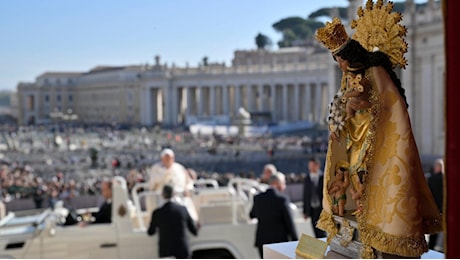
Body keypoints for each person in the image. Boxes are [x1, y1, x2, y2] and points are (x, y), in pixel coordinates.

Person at [315, 6, 442, 257]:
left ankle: (372, 218)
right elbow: (342, 103)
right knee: (350, 170)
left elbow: (389, 105)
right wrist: (340, 118)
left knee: (368, 173)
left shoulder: (375, 72)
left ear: (351, 54)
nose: (340, 64)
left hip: (376, 134)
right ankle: (356, 212)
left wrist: (360, 104)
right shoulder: (349, 75)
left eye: (341, 57)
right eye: (336, 59)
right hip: (355, 134)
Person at [250, 172, 298, 258]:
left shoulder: (258, 198)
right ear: (278, 184)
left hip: (262, 242)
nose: (284, 186)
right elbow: (290, 224)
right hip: (279, 243)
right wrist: (296, 241)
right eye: (283, 183)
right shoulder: (282, 199)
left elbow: (252, 214)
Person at [147, 184, 198, 259]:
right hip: (182, 250)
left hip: (166, 252)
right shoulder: (183, 210)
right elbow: (194, 231)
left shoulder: (157, 213)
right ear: (174, 194)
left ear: (162, 195)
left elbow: (150, 232)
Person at [302, 157, 326, 238]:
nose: (311, 168)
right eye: (310, 166)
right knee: (315, 230)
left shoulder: (324, 177)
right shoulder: (307, 179)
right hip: (312, 209)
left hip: (322, 208)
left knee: (322, 230)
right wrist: (305, 211)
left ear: (317, 165)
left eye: (312, 165)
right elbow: (305, 195)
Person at [427, 158, 444, 252]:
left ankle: (431, 247)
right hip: (443, 207)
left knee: (434, 229)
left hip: (433, 207)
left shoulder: (431, 178)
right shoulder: (445, 179)